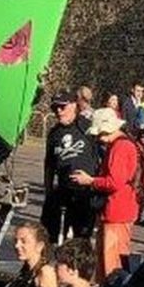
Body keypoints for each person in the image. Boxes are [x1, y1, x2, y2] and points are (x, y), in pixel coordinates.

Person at [71, 108, 140, 281]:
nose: (97, 138)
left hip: (117, 212)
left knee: (112, 264)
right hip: (116, 210)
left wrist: (91, 181)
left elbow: (115, 182)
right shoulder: (121, 144)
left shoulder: (120, 147)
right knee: (106, 260)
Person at [43, 91, 99, 244]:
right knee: (50, 232)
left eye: (62, 107)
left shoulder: (87, 127)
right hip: (63, 188)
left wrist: (98, 184)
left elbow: (101, 155)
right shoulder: (54, 133)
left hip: (85, 191)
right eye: (55, 108)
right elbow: (49, 164)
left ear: (74, 105)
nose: (58, 111)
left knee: (81, 238)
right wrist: (48, 189)